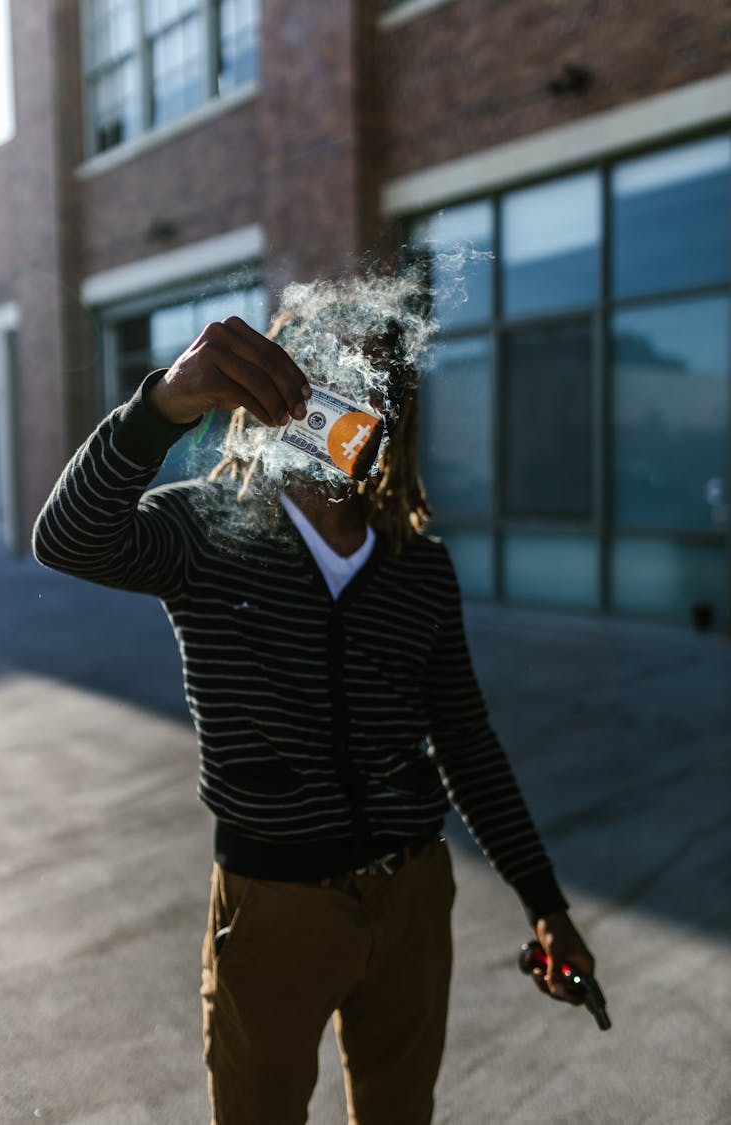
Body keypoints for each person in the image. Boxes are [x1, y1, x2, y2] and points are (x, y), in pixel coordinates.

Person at [33, 275, 596, 1125]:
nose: (345, 399)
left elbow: (467, 742)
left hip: (412, 898)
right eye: (319, 373)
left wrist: (544, 902)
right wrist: (166, 403)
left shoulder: (417, 565)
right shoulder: (204, 530)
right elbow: (66, 538)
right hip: (274, 908)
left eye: (372, 381)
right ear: (272, 390)